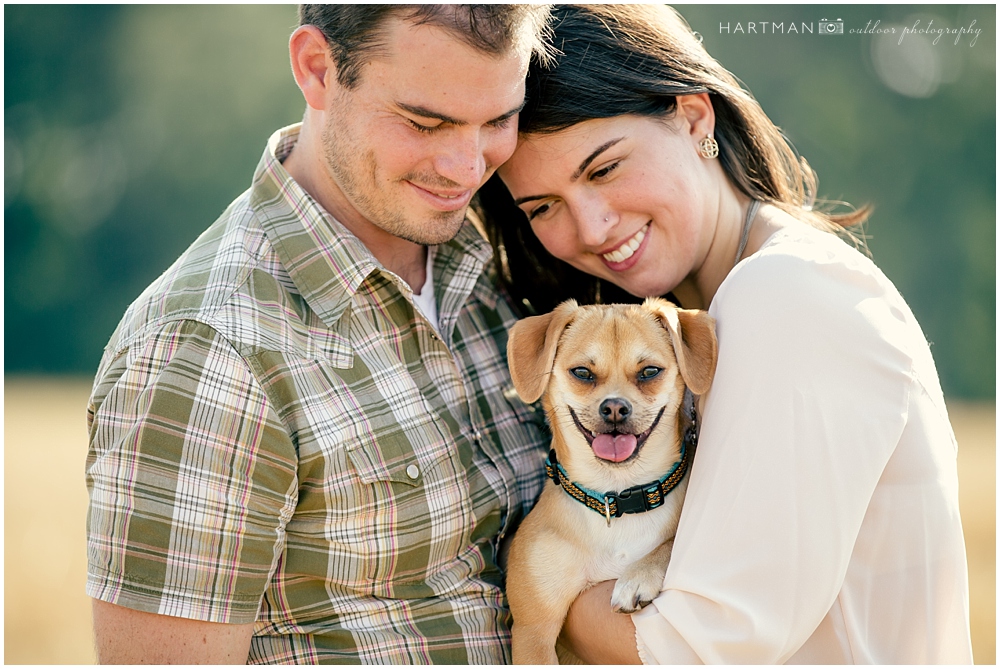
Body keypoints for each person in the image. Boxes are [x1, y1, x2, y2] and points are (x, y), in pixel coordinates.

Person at [480, 5, 973, 664]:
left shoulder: (785, 294)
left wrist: (542, 600)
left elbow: (704, 647)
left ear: (694, 118)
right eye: (543, 207)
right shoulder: (722, 305)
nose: (592, 227)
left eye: (604, 170)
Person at [85, 5, 554, 663]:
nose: (465, 166)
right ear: (317, 70)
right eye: (425, 122)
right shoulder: (206, 350)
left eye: (498, 120)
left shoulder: (501, 262)